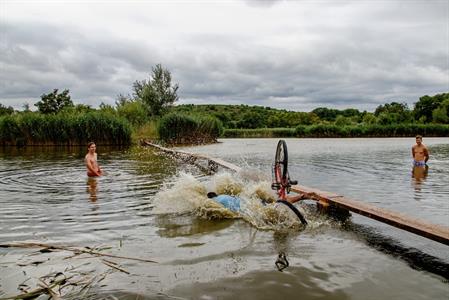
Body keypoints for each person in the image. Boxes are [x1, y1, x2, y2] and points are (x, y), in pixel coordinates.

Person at [207, 191, 306, 213]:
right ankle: (298, 197)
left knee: (273, 209)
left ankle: (299, 198)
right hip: (247, 201)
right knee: (273, 205)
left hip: (245, 209)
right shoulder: (224, 195)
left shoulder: (214, 202)